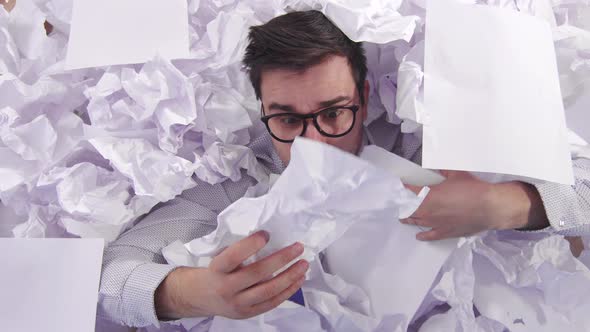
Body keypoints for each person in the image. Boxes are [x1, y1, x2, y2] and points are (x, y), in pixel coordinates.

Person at [98, 10, 590, 327]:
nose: (313, 141)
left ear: (366, 98)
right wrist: (193, 293)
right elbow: (113, 273)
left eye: (334, 113)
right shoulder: (238, 180)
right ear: (263, 111)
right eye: (288, 119)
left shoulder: (425, 149)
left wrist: (504, 204)